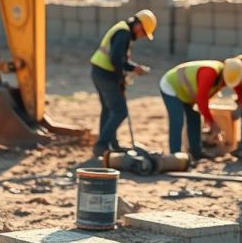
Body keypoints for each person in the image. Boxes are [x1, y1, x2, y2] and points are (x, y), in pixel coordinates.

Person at [89, 9, 156, 156]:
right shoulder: (123, 33)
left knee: (109, 109)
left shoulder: (122, 29)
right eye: (144, 33)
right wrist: (121, 80)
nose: (142, 36)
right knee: (120, 111)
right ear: (139, 26)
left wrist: (133, 68)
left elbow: (121, 60)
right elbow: (115, 60)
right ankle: (101, 145)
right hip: (105, 74)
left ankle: (111, 145)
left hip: (99, 71)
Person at [159, 60, 226, 158]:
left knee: (194, 118)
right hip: (171, 86)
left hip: (186, 91)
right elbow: (201, 101)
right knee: (177, 120)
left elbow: (203, 99)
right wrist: (211, 122)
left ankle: (196, 152)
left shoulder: (223, 77)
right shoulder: (210, 72)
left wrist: (210, 121)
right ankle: (175, 155)